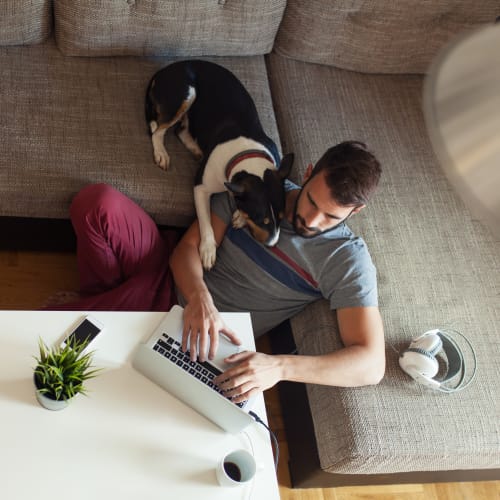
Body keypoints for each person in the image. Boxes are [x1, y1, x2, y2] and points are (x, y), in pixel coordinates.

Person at [47, 140, 385, 403]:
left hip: (200, 338)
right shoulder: (258, 188)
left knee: (58, 348)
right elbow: (188, 249)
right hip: (171, 276)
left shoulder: (346, 260)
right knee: (97, 202)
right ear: (309, 172)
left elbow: (370, 365)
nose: (311, 220)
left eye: (330, 216)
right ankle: (103, 299)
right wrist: (199, 298)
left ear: (357, 211)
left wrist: (279, 367)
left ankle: (100, 304)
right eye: (311, 201)